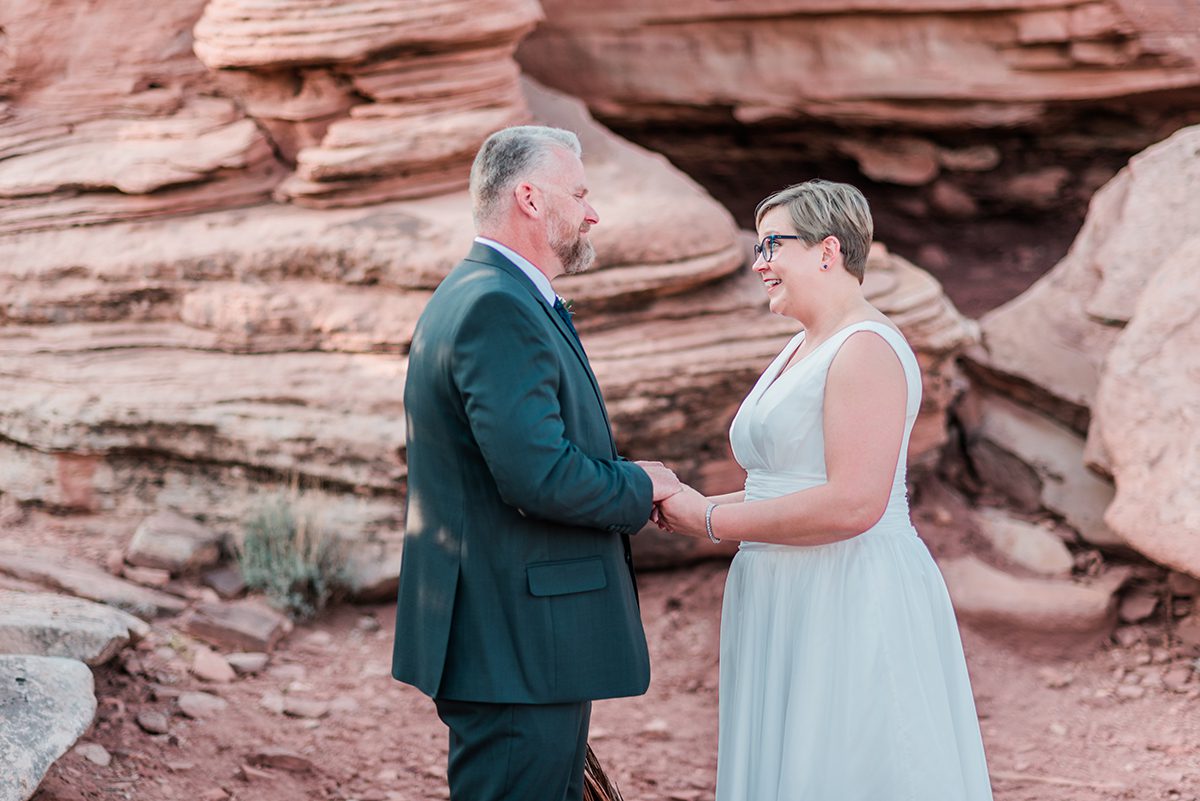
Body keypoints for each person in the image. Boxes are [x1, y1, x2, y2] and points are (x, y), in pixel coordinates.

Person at [657, 180, 993, 800]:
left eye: (771, 246)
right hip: (786, 586)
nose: (759, 264)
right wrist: (682, 502)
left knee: (850, 764)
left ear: (827, 250)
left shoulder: (865, 348)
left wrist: (708, 520)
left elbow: (855, 503)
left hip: (847, 587)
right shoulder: (802, 345)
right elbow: (784, 483)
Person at [391, 125, 681, 801]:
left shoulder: (484, 292)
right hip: (514, 639)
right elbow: (538, 475)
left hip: (509, 637)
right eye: (578, 193)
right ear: (529, 197)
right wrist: (642, 486)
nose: (591, 212)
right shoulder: (496, 305)